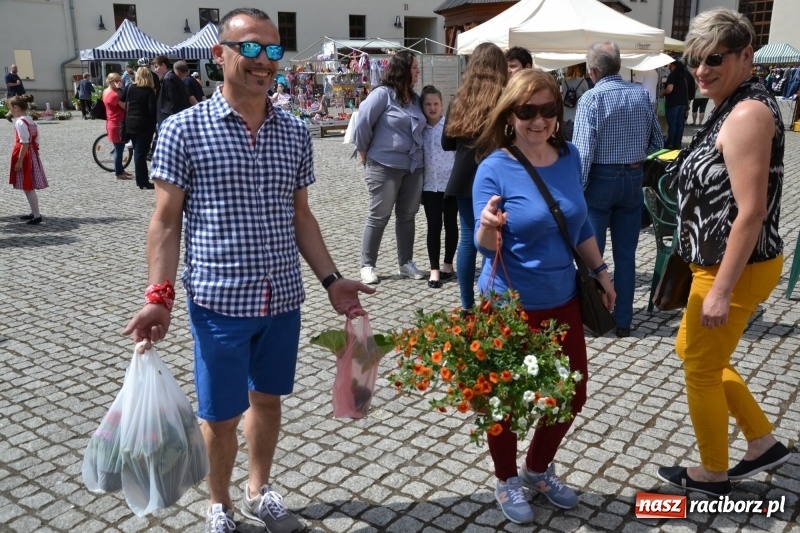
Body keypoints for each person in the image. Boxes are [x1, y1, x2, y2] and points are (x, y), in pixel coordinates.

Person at [121, 8, 374, 533]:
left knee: (269, 400)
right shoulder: (182, 130)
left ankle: (259, 490)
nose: (263, 61)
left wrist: (331, 280)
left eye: (273, 50)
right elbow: (166, 222)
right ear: (220, 54)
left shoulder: (295, 134)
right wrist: (158, 295)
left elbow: (301, 215)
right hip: (219, 303)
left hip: (282, 299)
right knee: (220, 416)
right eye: (250, 48)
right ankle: (221, 504)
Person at [656, 7, 790, 498]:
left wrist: (721, 290)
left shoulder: (749, 111)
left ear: (745, 56)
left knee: (701, 368)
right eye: (695, 61)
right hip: (712, 263)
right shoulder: (731, 102)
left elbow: (750, 213)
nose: (702, 70)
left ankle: (714, 473)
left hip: (734, 267)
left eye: (714, 58)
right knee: (693, 353)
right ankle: (763, 443)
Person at [471, 69, 615, 524]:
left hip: (563, 300)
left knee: (572, 394)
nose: (538, 120)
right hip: (509, 305)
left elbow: (582, 225)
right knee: (507, 399)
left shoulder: (570, 157)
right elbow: (482, 242)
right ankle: (506, 479)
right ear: (510, 114)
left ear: (559, 112)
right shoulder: (493, 167)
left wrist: (601, 272)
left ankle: (536, 469)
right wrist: (488, 228)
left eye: (548, 110)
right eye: (527, 110)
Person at [573, 41, 662, 338]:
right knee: (626, 255)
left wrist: (578, 190)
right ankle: (623, 320)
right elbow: (658, 144)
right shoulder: (641, 95)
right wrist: (634, 156)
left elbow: (584, 153)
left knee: (592, 255)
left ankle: (597, 316)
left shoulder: (591, 99)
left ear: (593, 70)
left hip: (600, 177)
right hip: (633, 178)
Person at [443, 42, 508, 311]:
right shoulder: (504, 97)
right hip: (496, 176)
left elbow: (446, 143)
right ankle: (489, 301)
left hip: (464, 178)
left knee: (469, 238)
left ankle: (467, 305)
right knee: (494, 238)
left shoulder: (460, 99)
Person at [353, 50, 427, 284]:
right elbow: (363, 122)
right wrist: (363, 151)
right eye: (414, 67)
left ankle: (405, 263)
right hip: (384, 164)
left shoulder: (415, 100)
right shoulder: (382, 95)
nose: (418, 72)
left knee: (407, 216)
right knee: (379, 216)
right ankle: (367, 265)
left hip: (413, 166)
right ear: (403, 69)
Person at [420, 85, 457, 288]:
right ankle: (434, 269)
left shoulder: (450, 127)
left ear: (442, 105)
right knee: (434, 226)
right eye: (428, 104)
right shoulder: (420, 129)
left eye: (436, 104)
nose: (432, 108)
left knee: (451, 224)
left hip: (450, 184)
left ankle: (448, 264)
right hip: (430, 186)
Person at [7, 95, 48, 225]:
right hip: (31, 153)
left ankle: (36, 215)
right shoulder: (31, 121)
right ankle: (33, 211)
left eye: (10, 108)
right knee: (27, 185)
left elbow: (24, 143)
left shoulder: (20, 122)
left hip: (25, 155)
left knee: (28, 186)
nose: (10, 112)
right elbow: (36, 140)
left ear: (16, 108)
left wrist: (19, 161)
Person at [120, 67, 157, 190]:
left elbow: (122, 99)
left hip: (131, 122)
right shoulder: (149, 90)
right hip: (144, 124)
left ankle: (141, 180)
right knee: (141, 154)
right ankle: (143, 181)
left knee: (138, 152)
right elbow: (152, 110)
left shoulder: (130, 87)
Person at [101, 72, 130, 180]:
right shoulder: (114, 94)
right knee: (119, 149)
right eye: (116, 81)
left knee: (118, 148)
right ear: (110, 82)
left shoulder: (105, 91)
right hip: (117, 123)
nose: (119, 83)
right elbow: (125, 107)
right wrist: (120, 90)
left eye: (120, 81)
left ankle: (121, 169)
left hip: (112, 122)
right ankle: (118, 173)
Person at [155, 57, 192, 127]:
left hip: (168, 122)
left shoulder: (169, 79)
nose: (155, 70)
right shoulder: (169, 77)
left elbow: (175, 102)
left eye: (156, 67)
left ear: (163, 65)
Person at [661, 60, 690, 149]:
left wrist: (662, 93)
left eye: (670, 65)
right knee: (680, 124)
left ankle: (670, 143)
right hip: (683, 102)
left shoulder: (673, 75)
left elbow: (669, 89)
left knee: (672, 123)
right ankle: (677, 143)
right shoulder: (684, 75)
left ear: (674, 66)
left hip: (673, 102)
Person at [560, 64, 589, 141]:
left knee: (566, 142)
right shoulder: (583, 81)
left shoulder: (564, 81)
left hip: (565, 116)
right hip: (578, 116)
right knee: (577, 142)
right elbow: (587, 96)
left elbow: (563, 93)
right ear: (578, 70)